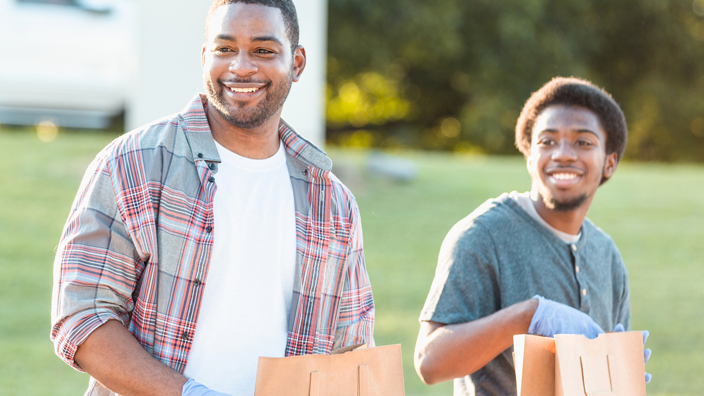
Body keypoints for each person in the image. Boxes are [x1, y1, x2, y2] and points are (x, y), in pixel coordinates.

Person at [50, 1, 374, 395]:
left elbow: (351, 351)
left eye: (263, 50)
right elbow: (82, 316)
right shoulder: (133, 165)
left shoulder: (333, 205)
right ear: (205, 57)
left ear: (298, 62)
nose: (240, 67)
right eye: (224, 49)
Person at [414, 77, 650, 396]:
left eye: (583, 142)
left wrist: (621, 374)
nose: (563, 154)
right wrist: (528, 317)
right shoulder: (483, 236)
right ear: (529, 156)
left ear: (610, 162)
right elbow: (430, 362)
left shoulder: (607, 256)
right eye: (547, 141)